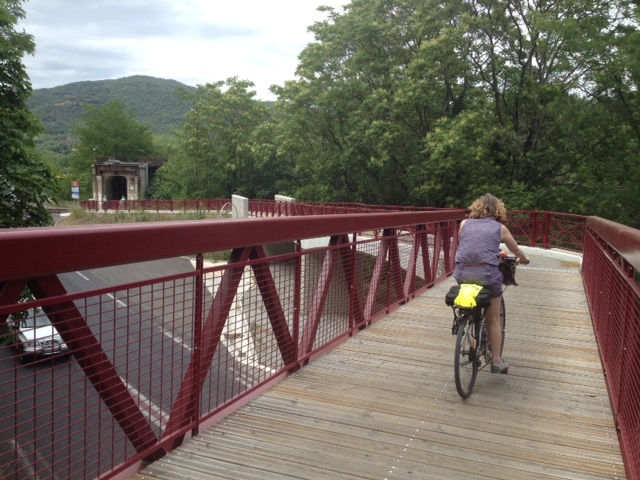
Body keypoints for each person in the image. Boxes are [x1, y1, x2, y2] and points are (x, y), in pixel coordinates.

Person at [454, 193, 530, 374]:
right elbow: (515, 249)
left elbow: (467, 245)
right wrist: (524, 259)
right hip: (487, 275)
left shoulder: (464, 224)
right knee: (494, 319)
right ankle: (496, 361)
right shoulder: (500, 228)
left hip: (462, 273)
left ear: (476, 208)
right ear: (498, 211)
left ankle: (469, 320)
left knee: (472, 298)